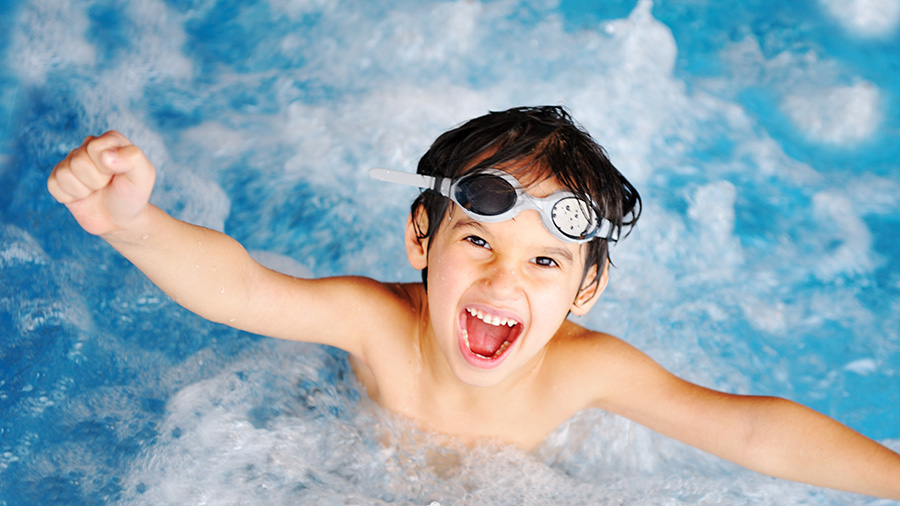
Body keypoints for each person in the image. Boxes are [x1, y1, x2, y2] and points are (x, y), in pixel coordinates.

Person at [47, 106, 900, 499]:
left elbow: (749, 427)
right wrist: (135, 225)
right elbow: (241, 289)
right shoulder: (378, 323)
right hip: (350, 459)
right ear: (422, 240)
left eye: (544, 263)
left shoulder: (583, 369)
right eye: (478, 242)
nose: (503, 283)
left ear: (586, 290)